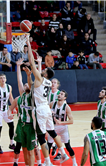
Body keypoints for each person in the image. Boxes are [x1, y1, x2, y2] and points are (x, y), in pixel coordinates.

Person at [26, 36, 69, 166]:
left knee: (41, 137)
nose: (42, 70)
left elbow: (31, 62)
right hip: (46, 109)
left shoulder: (40, 79)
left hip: (40, 109)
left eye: (44, 70)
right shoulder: (48, 82)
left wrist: (28, 44)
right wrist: (39, 64)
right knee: (52, 132)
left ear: (45, 74)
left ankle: (47, 162)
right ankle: (63, 152)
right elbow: (38, 71)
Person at [7, 58, 42, 166]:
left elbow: (35, 81)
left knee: (31, 150)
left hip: (30, 126)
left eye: (27, 85)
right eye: (25, 85)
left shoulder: (32, 96)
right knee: (24, 149)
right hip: (20, 125)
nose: (25, 86)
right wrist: (17, 66)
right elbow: (19, 80)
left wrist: (28, 75)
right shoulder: (21, 96)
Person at [47, 90, 78, 166]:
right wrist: (49, 113)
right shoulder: (52, 104)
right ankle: (47, 162)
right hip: (53, 127)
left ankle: (74, 163)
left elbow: (71, 121)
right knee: (48, 145)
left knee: (67, 146)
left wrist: (61, 122)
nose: (59, 95)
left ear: (65, 98)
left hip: (63, 128)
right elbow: (46, 113)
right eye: (59, 93)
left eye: (61, 94)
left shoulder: (66, 107)